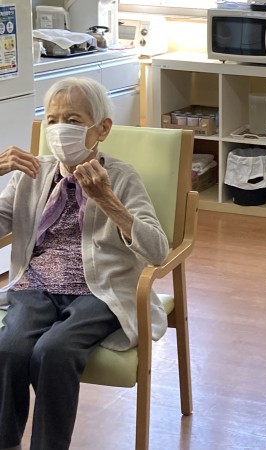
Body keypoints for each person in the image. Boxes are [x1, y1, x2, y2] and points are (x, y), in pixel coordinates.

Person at [0, 77, 169, 450]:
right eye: (53, 120)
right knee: (8, 348)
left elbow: (158, 251)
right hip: (36, 285)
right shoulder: (32, 174)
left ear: (102, 129)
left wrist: (107, 199)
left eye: (73, 120)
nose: (60, 129)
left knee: (54, 352)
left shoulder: (121, 177)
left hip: (100, 290)